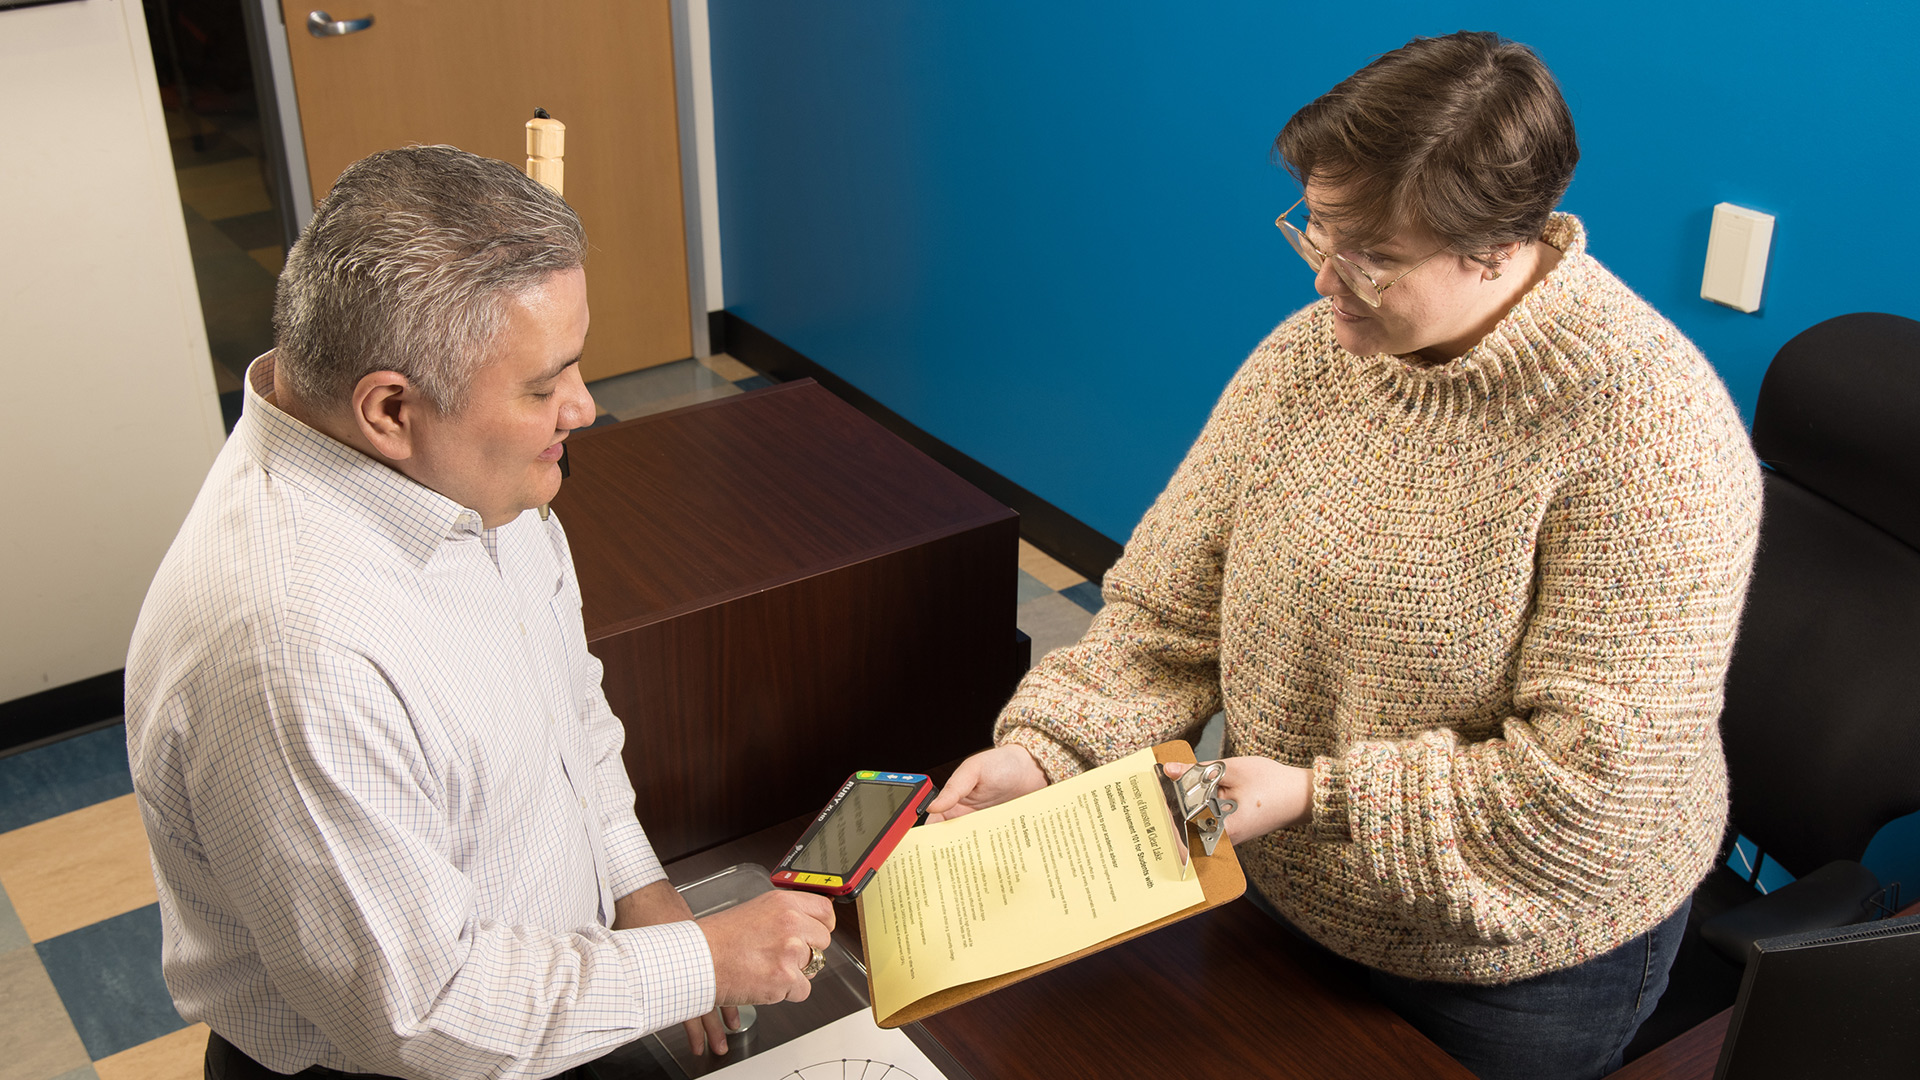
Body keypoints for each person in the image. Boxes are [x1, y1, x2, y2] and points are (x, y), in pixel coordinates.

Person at [928, 31, 1761, 1080]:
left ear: (1499, 246)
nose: (1328, 279)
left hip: (1514, 957)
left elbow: (1594, 786)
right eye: (1315, 232)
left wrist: (1321, 796)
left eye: (1373, 255)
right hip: (1285, 882)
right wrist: (1046, 751)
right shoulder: (1308, 361)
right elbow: (1164, 614)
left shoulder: (1648, 429)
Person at [125, 146, 835, 1080]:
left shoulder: (472, 476)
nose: (582, 409)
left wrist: (638, 887)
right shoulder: (292, 651)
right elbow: (426, 1015)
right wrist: (701, 958)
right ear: (389, 408)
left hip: (558, 997)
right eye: (544, 387)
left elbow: (567, 712)